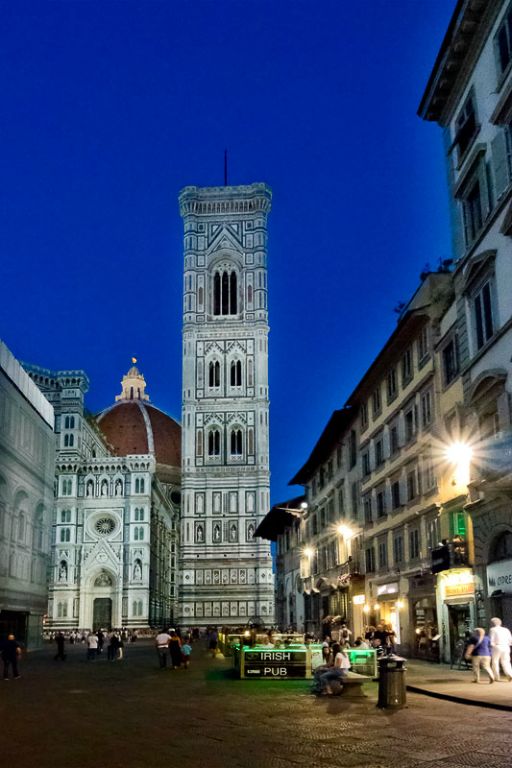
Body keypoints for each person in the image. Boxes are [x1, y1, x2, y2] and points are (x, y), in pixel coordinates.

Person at [489, 617, 512, 682]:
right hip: (506, 647)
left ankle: (497, 677)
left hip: (497, 646)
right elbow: (510, 640)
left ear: (492, 623)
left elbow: (491, 640)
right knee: (506, 662)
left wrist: (492, 646)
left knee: (495, 662)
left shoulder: (492, 629)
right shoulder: (506, 629)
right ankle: (509, 674)